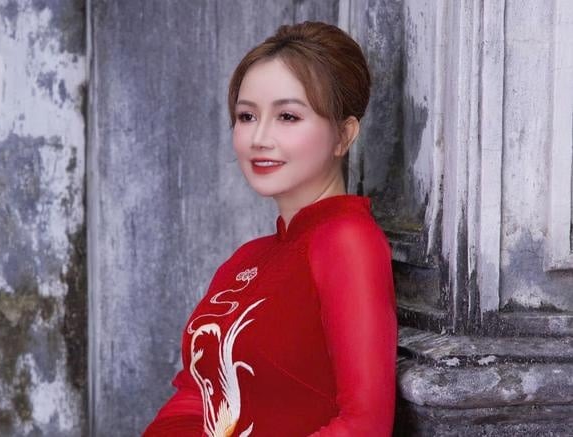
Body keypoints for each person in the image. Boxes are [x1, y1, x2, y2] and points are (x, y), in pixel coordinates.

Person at [143, 21, 397, 437]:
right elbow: (195, 394)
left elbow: (363, 426)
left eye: (287, 116)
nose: (259, 137)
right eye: (247, 116)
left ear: (344, 134)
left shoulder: (347, 241)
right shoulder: (246, 260)